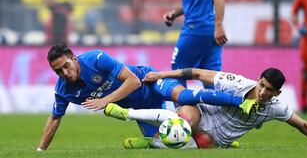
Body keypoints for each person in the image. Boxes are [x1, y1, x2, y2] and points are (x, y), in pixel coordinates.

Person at [36, 43, 257, 151]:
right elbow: (55, 118)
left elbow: (133, 81)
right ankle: (221, 141)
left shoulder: (95, 59)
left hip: (150, 82)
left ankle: (240, 101)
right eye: (58, 71)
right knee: (176, 142)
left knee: (188, 96)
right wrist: (40, 151)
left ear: (74, 59)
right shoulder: (63, 90)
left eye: (66, 66)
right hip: (140, 109)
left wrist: (106, 100)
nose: (65, 73)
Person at [104, 67, 307, 149]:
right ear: (257, 80)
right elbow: (197, 73)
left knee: (203, 145)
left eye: (269, 90)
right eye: (262, 85)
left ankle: (154, 144)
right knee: (184, 117)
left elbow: (303, 125)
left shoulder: (276, 107)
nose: (262, 92)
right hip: (202, 114)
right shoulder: (237, 83)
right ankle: (142, 131)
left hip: (217, 137)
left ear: (276, 93)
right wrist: (162, 74)